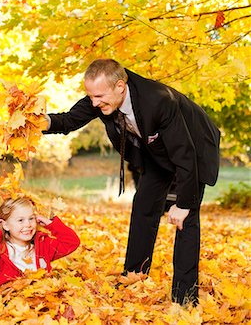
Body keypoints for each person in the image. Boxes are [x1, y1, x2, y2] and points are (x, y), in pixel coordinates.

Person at [43, 59, 220, 305]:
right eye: (90, 96)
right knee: (144, 207)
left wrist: (183, 203)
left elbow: (185, 155)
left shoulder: (158, 101)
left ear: (120, 86)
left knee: (185, 220)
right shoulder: (102, 95)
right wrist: (43, 122)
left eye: (99, 97)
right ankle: (134, 277)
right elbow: (70, 120)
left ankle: (185, 299)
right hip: (158, 153)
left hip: (194, 149)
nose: (95, 103)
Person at [0, 196, 80, 286]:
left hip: (41, 299)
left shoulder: (43, 245)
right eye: (20, 220)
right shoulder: (1, 251)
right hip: (13, 303)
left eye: (31, 218)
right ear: (5, 225)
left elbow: (72, 242)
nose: (28, 224)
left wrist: (51, 224)